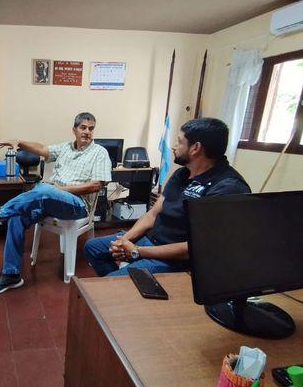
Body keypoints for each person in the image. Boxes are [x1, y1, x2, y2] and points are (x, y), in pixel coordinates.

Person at [84, 117, 251, 277]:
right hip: (148, 240)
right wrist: (123, 241)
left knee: (108, 286)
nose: (173, 147)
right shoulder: (182, 173)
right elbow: (152, 214)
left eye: (179, 141)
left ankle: (122, 282)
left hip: (173, 259)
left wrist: (136, 251)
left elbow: (196, 247)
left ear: (195, 148)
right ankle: (124, 282)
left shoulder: (228, 187)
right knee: (93, 248)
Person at [0, 112, 112, 295]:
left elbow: (95, 185)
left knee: (44, 189)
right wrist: (19, 142)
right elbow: (42, 148)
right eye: (83, 127)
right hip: (49, 200)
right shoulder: (65, 148)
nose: (87, 132)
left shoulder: (99, 153)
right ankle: (11, 275)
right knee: (17, 216)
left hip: (77, 204)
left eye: (91, 128)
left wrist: (59, 189)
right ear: (74, 130)